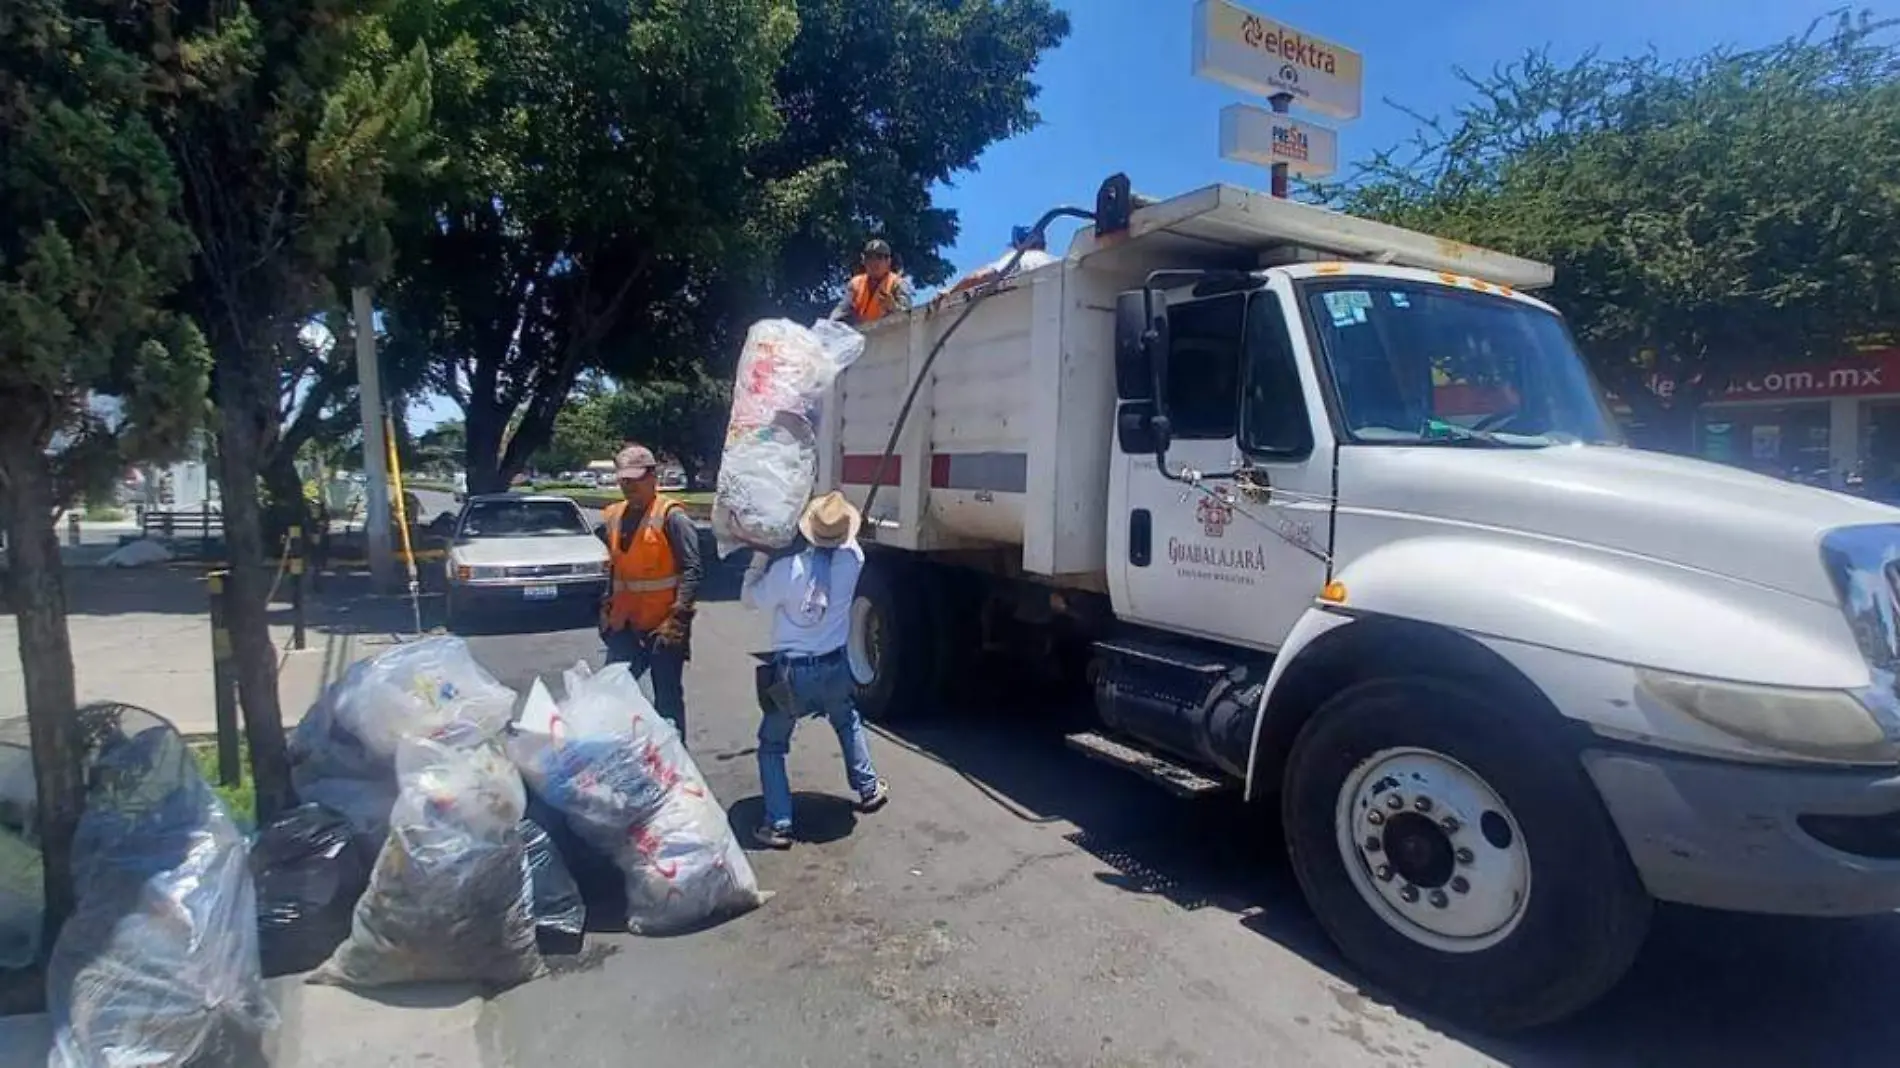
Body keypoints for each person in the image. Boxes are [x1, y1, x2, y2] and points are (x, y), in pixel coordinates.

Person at [741, 491, 889, 848]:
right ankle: (868, 788)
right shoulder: (853, 559)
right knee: (846, 719)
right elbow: (850, 543)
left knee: (772, 744)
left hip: (793, 673)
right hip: (835, 665)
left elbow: (749, 599)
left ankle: (778, 823)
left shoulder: (787, 571)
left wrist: (759, 556)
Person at [594, 443, 702, 737]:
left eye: (636, 480)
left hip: (663, 628)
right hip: (625, 625)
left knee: (667, 701)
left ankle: (677, 766)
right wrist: (605, 608)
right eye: (624, 480)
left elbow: (692, 569)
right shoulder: (613, 516)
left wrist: (679, 617)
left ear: (653, 477)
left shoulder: (672, 517)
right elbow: (610, 567)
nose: (629, 487)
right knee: (610, 694)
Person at [942, 225, 1058, 297]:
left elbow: (979, 277)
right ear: (1044, 244)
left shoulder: (1019, 257)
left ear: (1019, 245)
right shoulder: (1056, 261)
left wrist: (950, 292)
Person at [829, 239, 914, 325]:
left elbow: (909, 317)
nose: (874, 261)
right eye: (869, 257)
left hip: (889, 334)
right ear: (864, 261)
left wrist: (893, 307)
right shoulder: (855, 283)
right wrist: (830, 325)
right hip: (863, 334)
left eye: (879, 257)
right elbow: (841, 310)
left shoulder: (898, 283)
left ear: (888, 261)